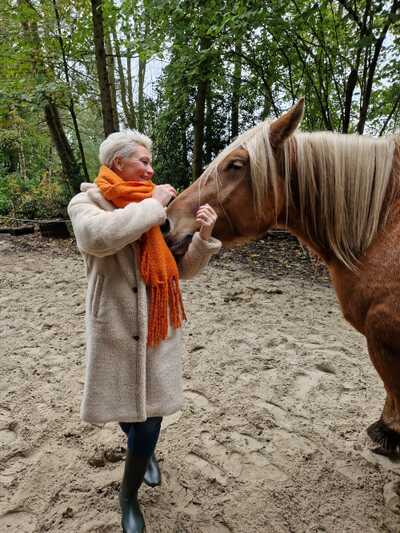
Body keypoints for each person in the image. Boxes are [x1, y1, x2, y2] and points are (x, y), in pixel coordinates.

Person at [67, 129, 221, 533]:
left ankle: (128, 495)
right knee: (129, 413)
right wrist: (153, 207)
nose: (152, 169)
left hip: (158, 327)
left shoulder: (157, 208)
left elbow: (180, 271)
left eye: (151, 163)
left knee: (149, 420)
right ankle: (143, 449)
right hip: (114, 324)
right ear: (118, 163)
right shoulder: (86, 202)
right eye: (143, 161)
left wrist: (203, 239)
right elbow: (97, 238)